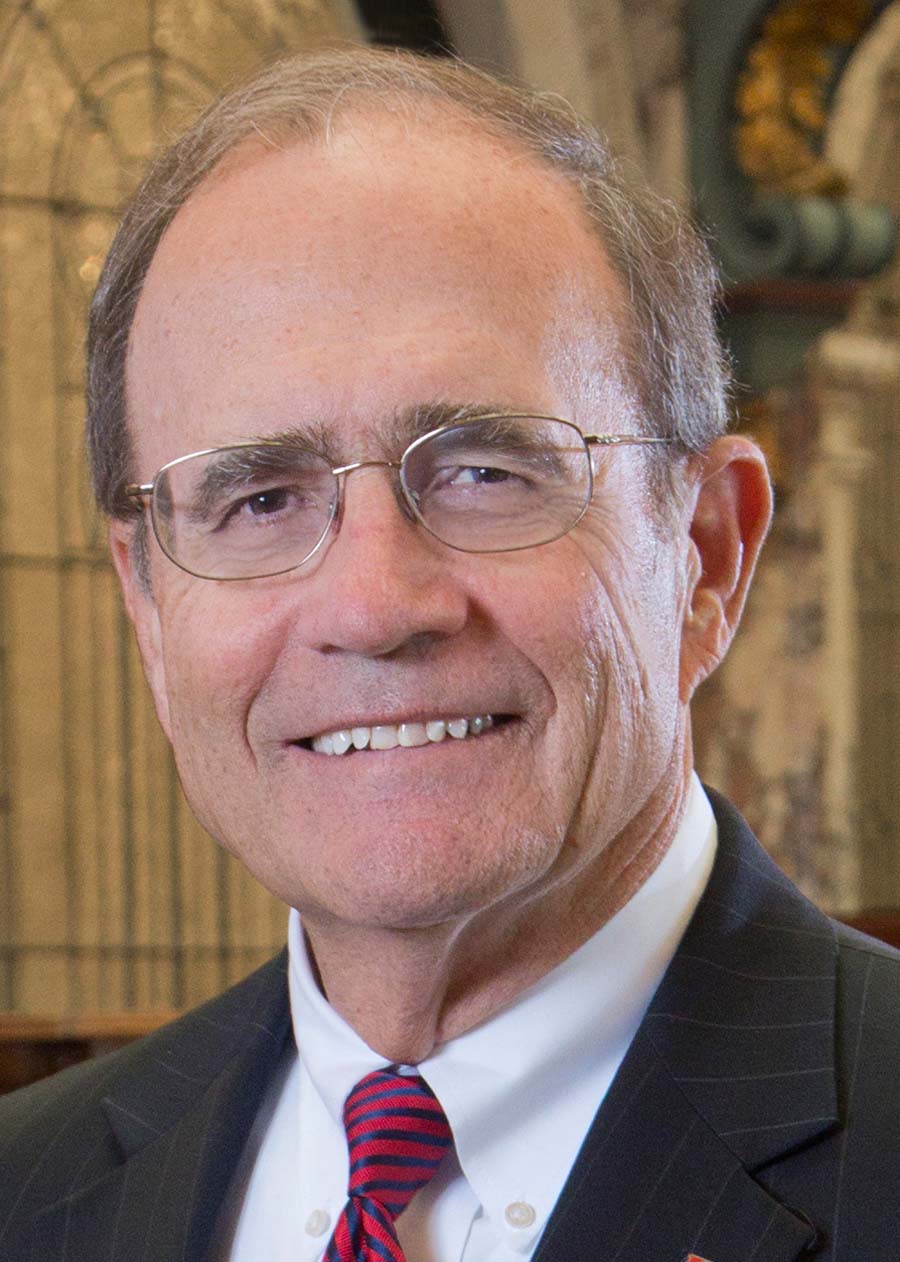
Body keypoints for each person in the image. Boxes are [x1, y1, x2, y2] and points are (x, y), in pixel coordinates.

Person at [2, 46, 899, 1262]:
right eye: (260, 498)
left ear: (706, 553)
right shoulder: (25, 1190)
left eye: (484, 471)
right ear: (149, 604)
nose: (375, 604)